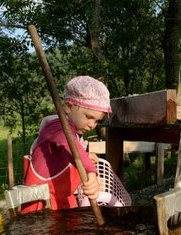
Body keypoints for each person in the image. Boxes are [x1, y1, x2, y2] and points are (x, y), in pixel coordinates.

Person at [21, 75, 113, 213]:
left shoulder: (72, 132)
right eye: (89, 117)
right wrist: (90, 172)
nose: (91, 125)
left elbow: (68, 154)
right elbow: (70, 146)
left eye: (96, 121)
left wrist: (86, 156)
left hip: (61, 198)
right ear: (69, 106)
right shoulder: (58, 126)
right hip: (42, 204)